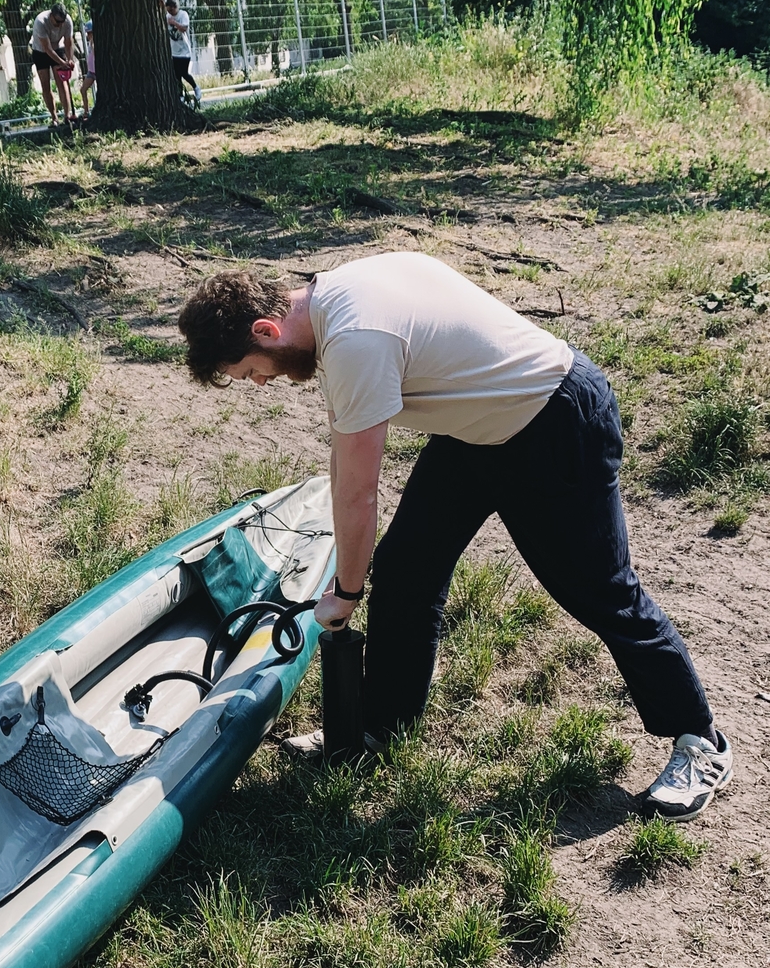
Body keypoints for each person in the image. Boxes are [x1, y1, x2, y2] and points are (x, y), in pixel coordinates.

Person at [176, 253, 732, 822]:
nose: (262, 383)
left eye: (251, 371)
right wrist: (355, 581)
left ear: (267, 331)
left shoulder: (355, 341)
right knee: (406, 573)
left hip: (555, 422)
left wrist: (344, 590)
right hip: (479, 428)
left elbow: (358, 493)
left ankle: (700, 740)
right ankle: (379, 727)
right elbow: (345, 467)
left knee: (600, 591)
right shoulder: (335, 294)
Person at [30, 4, 76, 125]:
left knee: (62, 82)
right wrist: (62, 63)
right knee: (46, 85)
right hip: (41, 51)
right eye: (57, 22)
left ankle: (67, 116)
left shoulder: (67, 21)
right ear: (51, 16)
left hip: (58, 48)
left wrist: (70, 59)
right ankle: (54, 118)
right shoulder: (40, 22)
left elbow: (68, 42)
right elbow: (47, 49)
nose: (60, 25)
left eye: (62, 22)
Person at [165, 0, 200, 107]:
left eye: (173, 7)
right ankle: (180, 95)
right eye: (169, 8)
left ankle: (196, 88)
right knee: (176, 76)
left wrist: (174, 23)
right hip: (173, 51)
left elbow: (184, 28)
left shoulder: (183, 14)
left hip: (184, 51)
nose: (171, 10)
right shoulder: (167, 16)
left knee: (184, 73)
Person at [79, 18, 96, 119]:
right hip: (91, 71)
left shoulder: (95, 44)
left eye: (90, 33)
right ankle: (86, 111)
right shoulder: (89, 43)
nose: (88, 35)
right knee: (83, 89)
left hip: (97, 71)